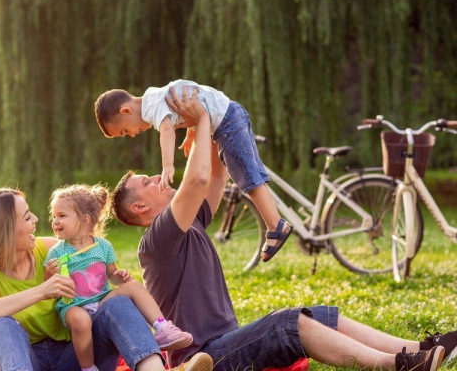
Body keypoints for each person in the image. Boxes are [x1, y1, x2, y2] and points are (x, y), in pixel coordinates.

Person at [108, 88, 453, 371]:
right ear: (140, 207)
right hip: (206, 359)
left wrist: (206, 127)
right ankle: (401, 364)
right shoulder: (157, 240)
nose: (157, 177)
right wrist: (199, 120)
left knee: (317, 316)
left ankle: (423, 348)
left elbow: (215, 175)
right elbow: (196, 179)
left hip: (228, 343)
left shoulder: (189, 222)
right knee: (289, 323)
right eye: (147, 181)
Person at [0, 187, 214, 371]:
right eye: (26, 216)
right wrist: (42, 290)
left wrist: (117, 282)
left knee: (118, 303)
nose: (36, 220)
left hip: (77, 356)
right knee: (0, 324)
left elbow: (93, 263)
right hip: (25, 361)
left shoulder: (51, 249)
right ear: (5, 231)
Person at [94, 80, 292, 263]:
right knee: (250, 172)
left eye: (124, 131)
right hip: (228, 115)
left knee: (248, 177)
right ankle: (275, 224)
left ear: (126, 111)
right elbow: (188, 100)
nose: (131, 135)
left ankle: (275, 226)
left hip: (226, 120)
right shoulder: (153, 96)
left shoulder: (152, 109)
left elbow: (167, 131)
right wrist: (192, 132)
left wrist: (168, 165)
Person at [43, 184, 195, 371]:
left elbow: (111, 276)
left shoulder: (103, 246)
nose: (55, 221)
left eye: (62, 216)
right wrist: (50, 274)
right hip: (73, 306)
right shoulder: (57, 252)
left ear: (85, 219)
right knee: (81, 320)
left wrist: (119, 276)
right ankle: (88, 368)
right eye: (54, 216)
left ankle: (163, 327)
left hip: (101, 302)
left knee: (134, 286)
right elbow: (48, 288)